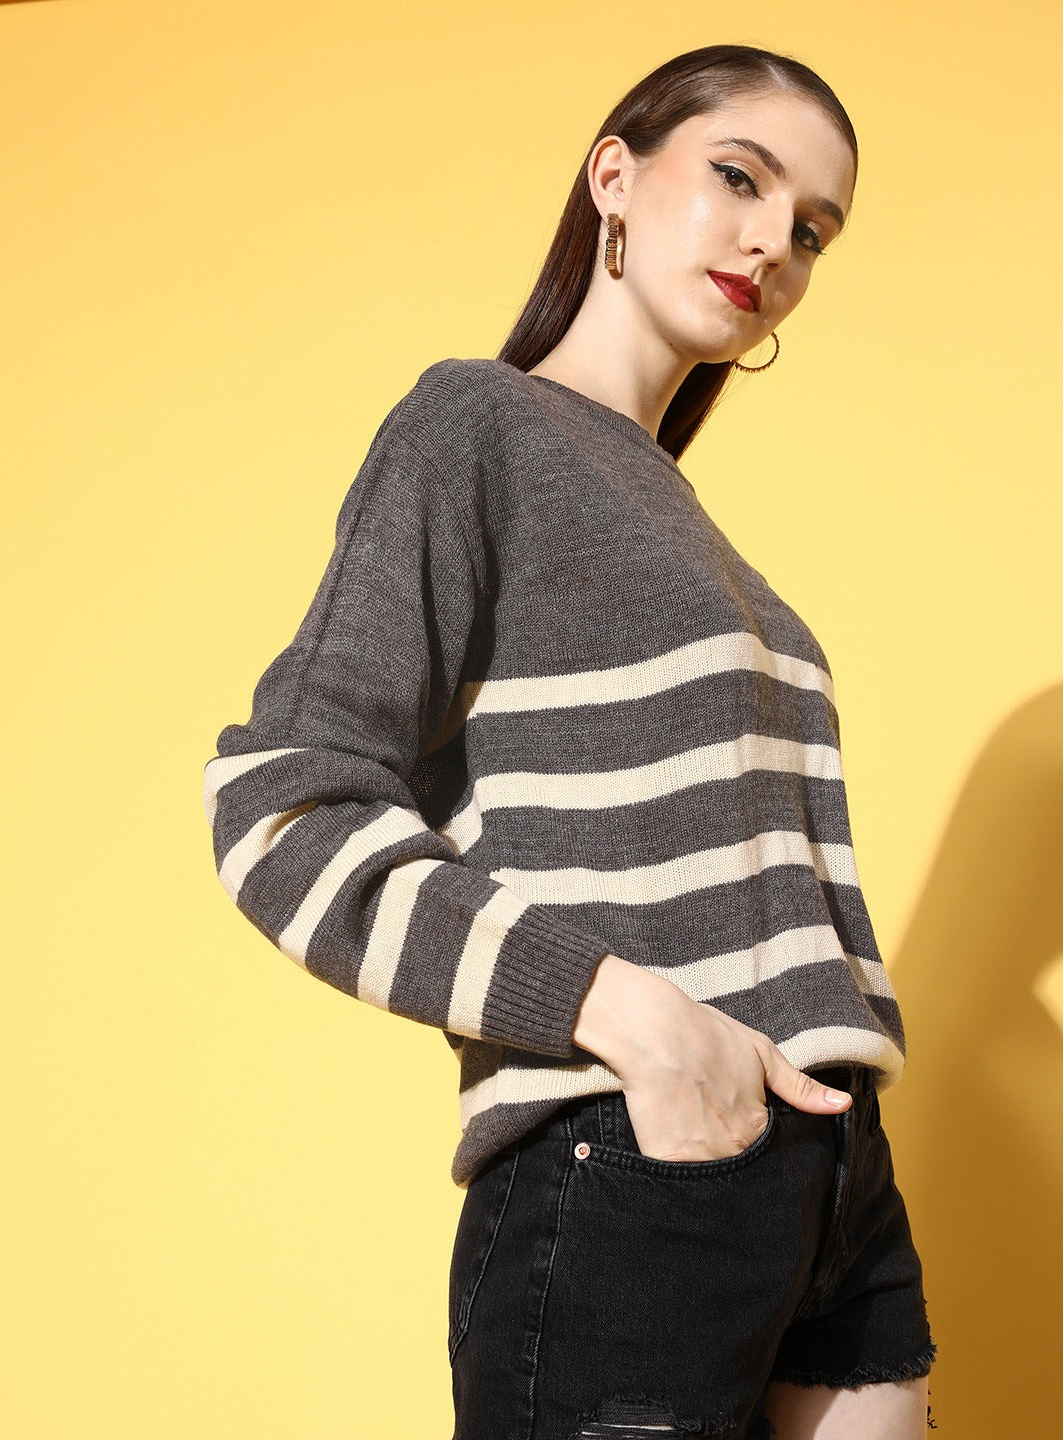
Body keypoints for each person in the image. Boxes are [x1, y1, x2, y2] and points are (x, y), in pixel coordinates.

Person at [202, 43, 937, 1440]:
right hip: (644, 1158)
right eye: (740, 177)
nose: (774, 242)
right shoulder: (477, 426)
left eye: (813, 230)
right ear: (615, 176)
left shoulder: (681, 517)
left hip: (835, 1177)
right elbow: (281, 805)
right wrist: (626, 1013)